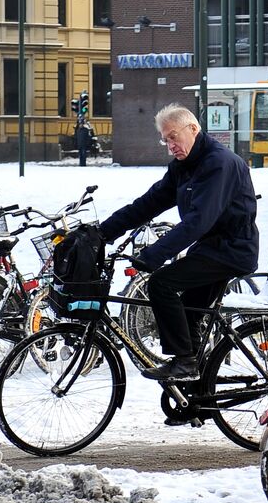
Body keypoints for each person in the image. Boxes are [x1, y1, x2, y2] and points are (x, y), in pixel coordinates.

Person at [98, 104, 258, 381]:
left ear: (193, 129)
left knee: (162, 284)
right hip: (211, 249)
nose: (170, 144)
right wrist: (103, 233)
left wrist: (155, 254)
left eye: (173, 136)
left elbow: (198, 221)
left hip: (232, 249)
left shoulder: (219, 163)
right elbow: (148, 204)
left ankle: (185, 362)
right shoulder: (183, 167)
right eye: (165, 139)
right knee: (189, 312)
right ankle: (195, 390)